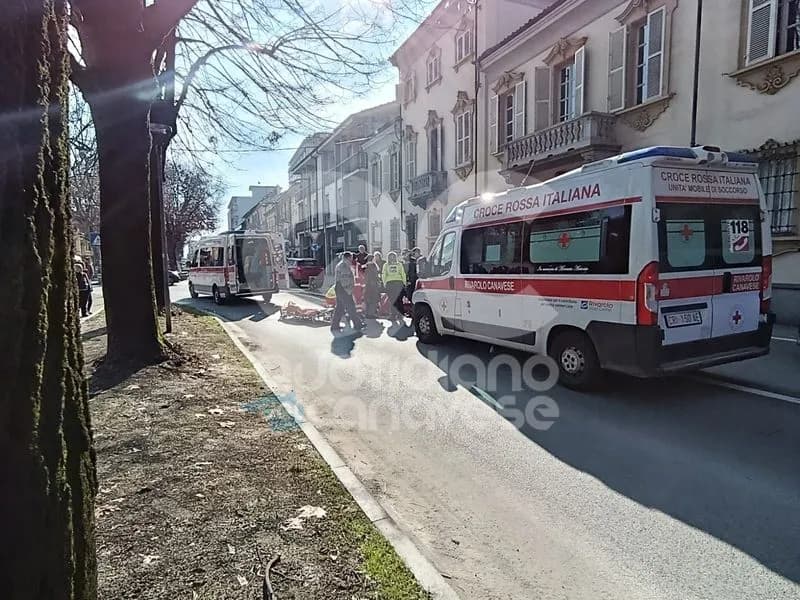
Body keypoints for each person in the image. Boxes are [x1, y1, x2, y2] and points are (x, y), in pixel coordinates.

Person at [331, 251, 364, 332]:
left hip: (341, 288)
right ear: (348, 257)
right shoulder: (343, 266)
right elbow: (345, 279)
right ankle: (358, 324)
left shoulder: (344, 264)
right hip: (344, 289)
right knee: (351, 307)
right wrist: (348, 289)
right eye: (351, 257)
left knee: (340, 308)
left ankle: (334, 325)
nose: (352, 259)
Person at [382, 251, 407, 321]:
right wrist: (385, 283)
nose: (392, 258)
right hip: (392, 283)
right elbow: (384, 274)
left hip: (397, 283)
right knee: (393, 300)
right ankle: (395, 315)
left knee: (397, 299)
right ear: (388, 258)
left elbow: (403, 273)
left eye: (393, 256)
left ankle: (398, 315)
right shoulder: (386, 265)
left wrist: (404, 283)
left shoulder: (398, 264)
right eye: (391, 256)